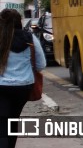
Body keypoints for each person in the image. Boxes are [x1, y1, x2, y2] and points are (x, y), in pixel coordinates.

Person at [0, 9, 46, 148]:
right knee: (13, 120)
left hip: (1, 88)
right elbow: (41, 64)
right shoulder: (30, 38)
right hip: (23, 87)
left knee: (2, 124)